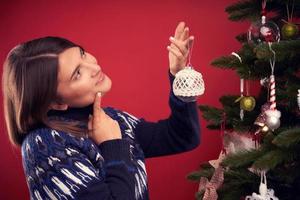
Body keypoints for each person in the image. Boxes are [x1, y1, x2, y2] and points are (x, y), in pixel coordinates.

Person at [2, 21, 200, 200]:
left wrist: (179, 76)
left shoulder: (109, 119)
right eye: (77, 73)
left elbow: (182, 136)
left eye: (82, 53)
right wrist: (112, 144)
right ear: (55, 103)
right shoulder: (44, 147)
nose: (93, 66)